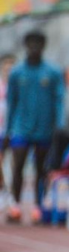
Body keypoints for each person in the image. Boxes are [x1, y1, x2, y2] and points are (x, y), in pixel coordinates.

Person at [6, 32, 65, 222]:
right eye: (31, 43)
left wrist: (59, 126)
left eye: (38, 43)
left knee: (42, 169)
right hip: (20, 128)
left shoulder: (53, 73)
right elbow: (11, 102)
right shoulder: (16, 73)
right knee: (18, 165)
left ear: (44, 45)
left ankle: (38, 206)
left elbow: (59, 101)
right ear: (25, 45)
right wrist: (8, 130)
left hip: (44, 129)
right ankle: (15, 204)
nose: (34, 47)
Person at [0, 53, 15, 195]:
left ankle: (12, 193)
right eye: (6, 68)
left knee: (14, 161)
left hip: (14, 129)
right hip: (1, 129)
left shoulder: (20, 86)